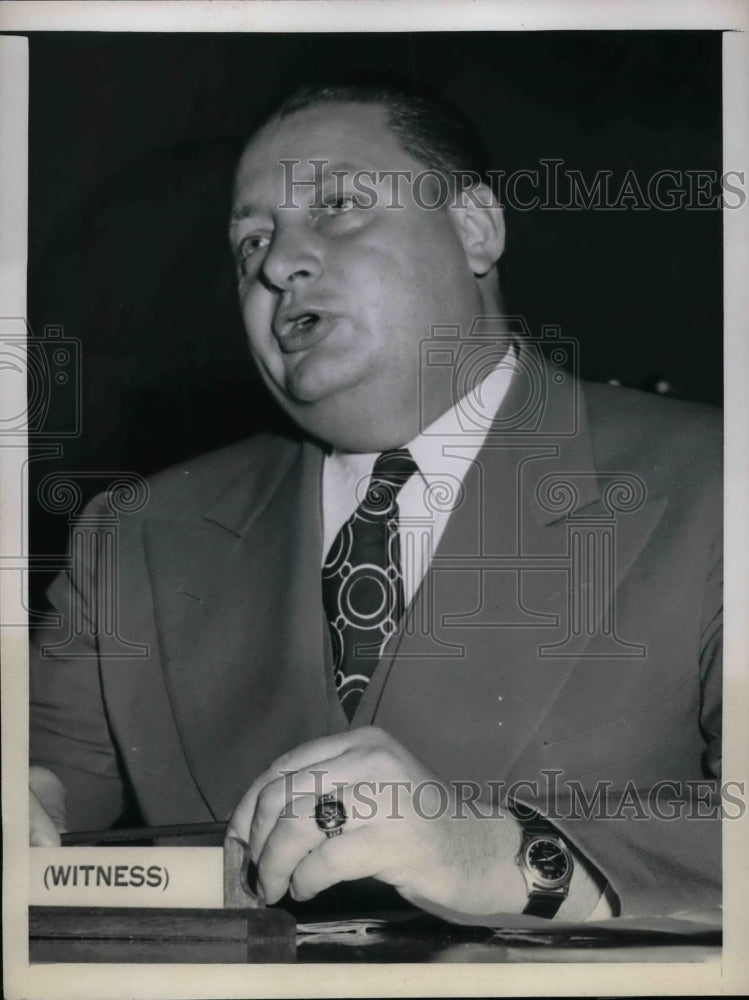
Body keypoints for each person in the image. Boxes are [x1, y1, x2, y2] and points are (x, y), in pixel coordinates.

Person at [30, 82, 722, 925]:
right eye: (251, 242)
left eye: (339, 205)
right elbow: (42, 781)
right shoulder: (130, 535)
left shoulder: (718, 480)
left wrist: (498, 855)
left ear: (474, 230)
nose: (278, 262)